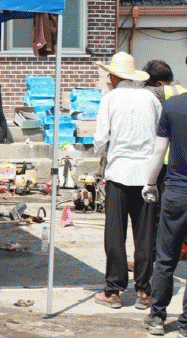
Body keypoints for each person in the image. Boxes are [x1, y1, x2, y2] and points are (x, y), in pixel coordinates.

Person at [93, 52, 161, 309]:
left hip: (119, 173)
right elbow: (159, 135)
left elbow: (101, 139)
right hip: (146, 175)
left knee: (115, 234)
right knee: (145, 235)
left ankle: (113, 290)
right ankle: (143, 290)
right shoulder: (150, 98)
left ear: (114, 76)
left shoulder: (110, 99)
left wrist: (102, 151)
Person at [141, 57, 187, 336]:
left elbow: (159, 151)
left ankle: (157, 317)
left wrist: (150, 183)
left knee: (166, 258)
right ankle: (186, 324)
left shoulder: (173, 105)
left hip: (176, 191)